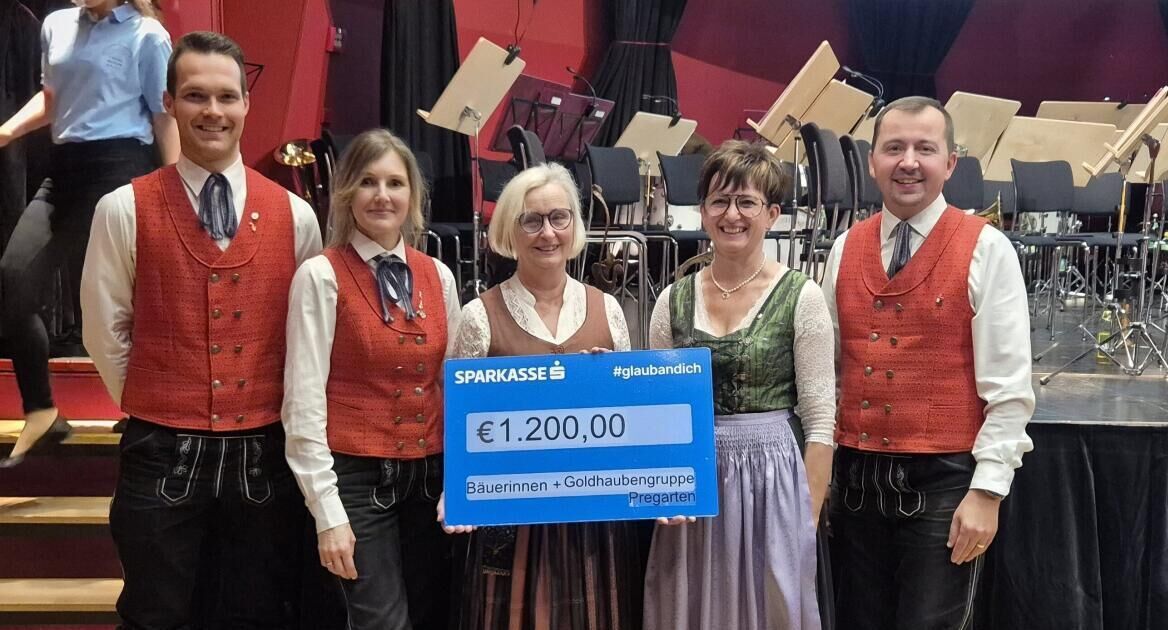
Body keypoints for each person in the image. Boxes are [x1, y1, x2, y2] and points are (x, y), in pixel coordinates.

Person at [80, 31, 322, 628]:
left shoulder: (297, 216)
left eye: (225, 97)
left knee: (257, 614)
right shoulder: (122, 207)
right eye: (194, 96)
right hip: (160, 453)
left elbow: (309, 345)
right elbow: (103, 331)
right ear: (169, 103)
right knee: (153, 613)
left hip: (264, 456)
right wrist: (157, 398)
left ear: (246, 104)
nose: (212, 111)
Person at [822, 96, 1035, 630]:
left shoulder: (988, 249)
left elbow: (1009, 388)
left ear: (950, 163)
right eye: (894, 148)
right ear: (873, 162)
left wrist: (986, 491)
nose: (908, 162)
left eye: (925, 149)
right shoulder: (844, 248)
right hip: (854, 479)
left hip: (944, 482)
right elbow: (826, 373)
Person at [643, 140, 835, 630]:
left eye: (746, 202)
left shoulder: (801, 296)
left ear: (771, 214)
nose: (732, 215)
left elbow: (819, 421)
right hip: (694, 484)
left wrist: (805, 518)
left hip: (773, 481)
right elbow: (657, 411)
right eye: (719, 202)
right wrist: (662, 492)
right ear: (703, 212)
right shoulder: (673, 299)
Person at [444, 162, 640, 630]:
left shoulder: (608, 308)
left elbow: (628, 416)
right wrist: (457, 488)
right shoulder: (479, 315)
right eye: (531, 220)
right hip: (510, 516)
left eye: (559, 218)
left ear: (574, 225)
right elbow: (458, 417)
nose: (547, 232)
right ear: (510, 231)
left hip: (592, 518)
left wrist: (603, 385)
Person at [282, 128, 461, 630]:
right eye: (367, 181)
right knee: (383, 622)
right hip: (358, 481)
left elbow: (451, 385)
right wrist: (327, 512)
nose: (382, 195)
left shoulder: (439, 276)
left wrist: (462, 477)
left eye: (395, 183)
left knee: (430, 617)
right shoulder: (319, 276)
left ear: (413, 196)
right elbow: (302, 401)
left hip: (430, 481)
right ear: (345, 193)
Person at [0, 0, 177, 466]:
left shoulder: (147, 35)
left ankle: (146, 411)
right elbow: (54, 99)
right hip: (64, 172)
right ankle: (41, 411)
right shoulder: (56, 24)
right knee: (13, 283)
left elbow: (164, 116)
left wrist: (181, 188)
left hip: (121, 166)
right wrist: (4, 132)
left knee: (125, 297)